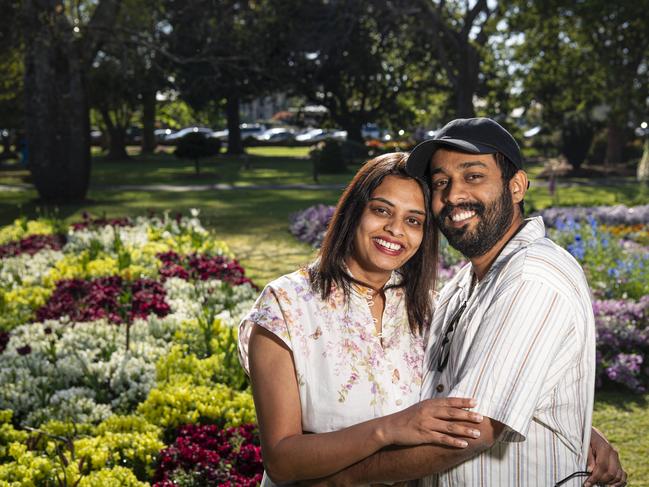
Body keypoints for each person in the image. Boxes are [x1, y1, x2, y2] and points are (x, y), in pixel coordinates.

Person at [309, 118, 626, 487]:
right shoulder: (465, 283)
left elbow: (471, 430)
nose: (454, 195)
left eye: (473, 176)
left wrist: (335, 480)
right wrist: (576, 425)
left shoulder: (531, 278)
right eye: (441, 182)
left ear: (517, 186)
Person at [238, 152, 486, 486]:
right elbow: (282, 460)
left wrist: (572, 433)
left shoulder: (432, 311)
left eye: (414, 220)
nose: (395, 229)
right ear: (354, 211)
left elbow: (489, 398)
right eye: (382, 210)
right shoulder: (286, 306)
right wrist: (389, 429)